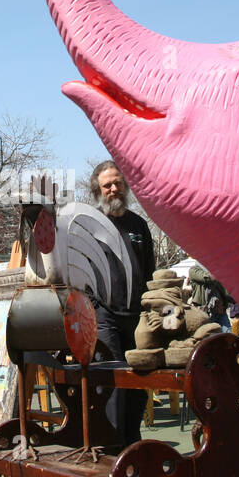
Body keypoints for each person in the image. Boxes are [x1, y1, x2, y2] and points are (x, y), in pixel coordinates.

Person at [91, 161, 155, 445]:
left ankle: (133, 444)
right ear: (98, 190)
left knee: (139, 384)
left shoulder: (139, 225)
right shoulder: (88, 225)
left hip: (138, 318)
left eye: (118, 183)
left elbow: (150, 271)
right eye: (107, 185)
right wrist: (95, 306)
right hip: (105, 318)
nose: (114, 189)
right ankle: (113, 451)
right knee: (113, 385)